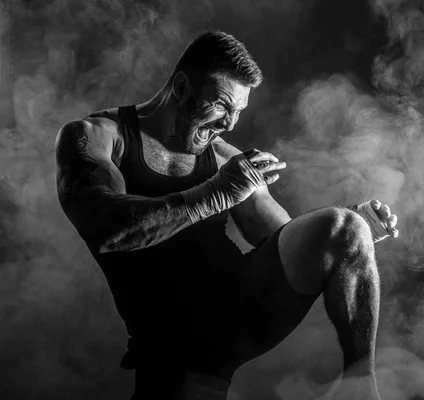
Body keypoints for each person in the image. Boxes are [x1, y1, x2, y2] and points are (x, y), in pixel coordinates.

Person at [55, 31, 400, 400]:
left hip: (235, 313)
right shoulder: (96, 137)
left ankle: (360, 389)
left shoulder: (221, 156)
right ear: (182, 87)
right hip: (170, 343)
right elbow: (106, 229)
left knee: (345, 227)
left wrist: (352, 239)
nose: (229, 124)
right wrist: (212, 194)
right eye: (220, 104)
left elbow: (283, 240)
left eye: (238, 111)